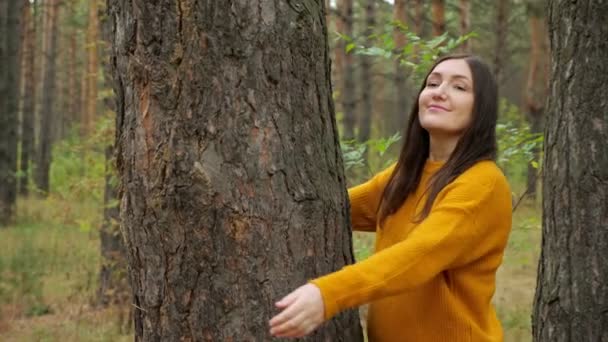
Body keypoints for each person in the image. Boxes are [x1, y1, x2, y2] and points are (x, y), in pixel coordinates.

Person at [269, 54, 512, 341]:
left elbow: (417, 256)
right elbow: (337, 210)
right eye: (433, 83)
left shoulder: (482, 183)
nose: (439, 92)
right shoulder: (407, 174)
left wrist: (327, 293)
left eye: (459, 87)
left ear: (480, 108)